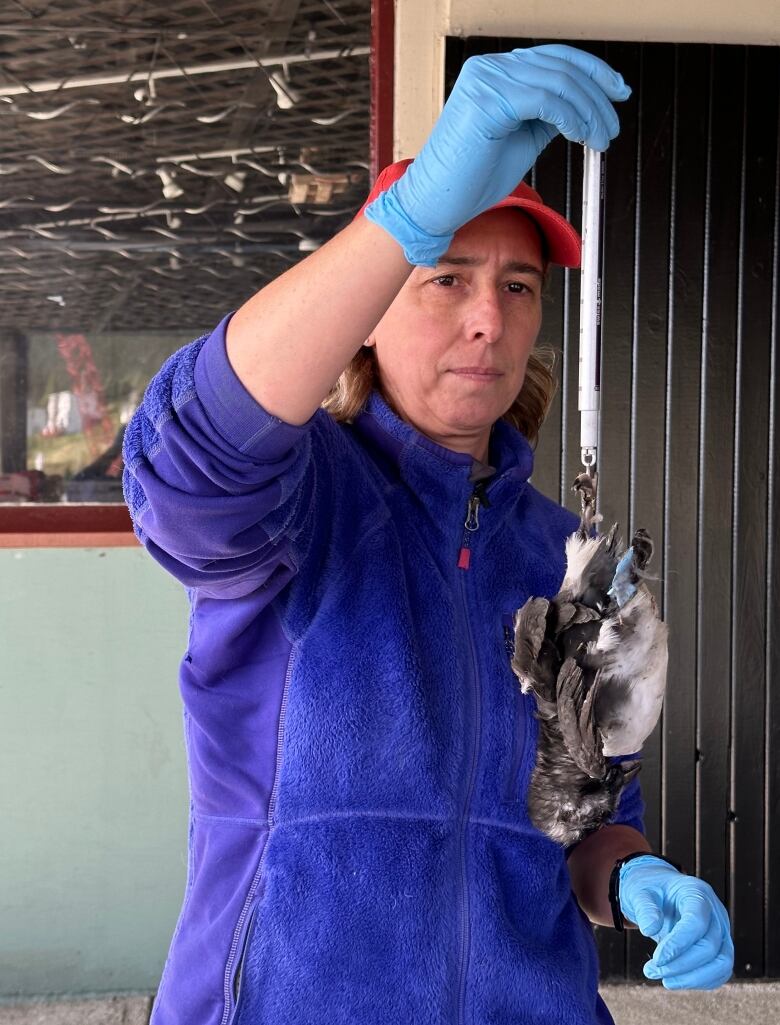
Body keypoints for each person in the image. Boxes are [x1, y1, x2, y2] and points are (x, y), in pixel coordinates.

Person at [123, 44, 733, 1025]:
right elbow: (183, 458)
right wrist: (397, 225)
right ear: (368, 312)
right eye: (445, 277)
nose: (489, 318)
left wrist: (634, 879)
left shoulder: (577, 564)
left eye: (520, 286)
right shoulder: (299, 500)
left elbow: (586, 821)